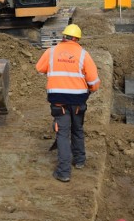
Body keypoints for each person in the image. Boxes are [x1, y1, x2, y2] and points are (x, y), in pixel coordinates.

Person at [35, 24, 100, 182]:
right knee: (77, 130)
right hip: (78, 101)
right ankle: (79, 161)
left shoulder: (51, 52)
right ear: (77, 39)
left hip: (59, 102)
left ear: (63, 37)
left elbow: (39, 68)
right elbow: (94, 82)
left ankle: (64, 172)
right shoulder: (84, 54)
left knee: (62, 134)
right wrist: (89, 89)